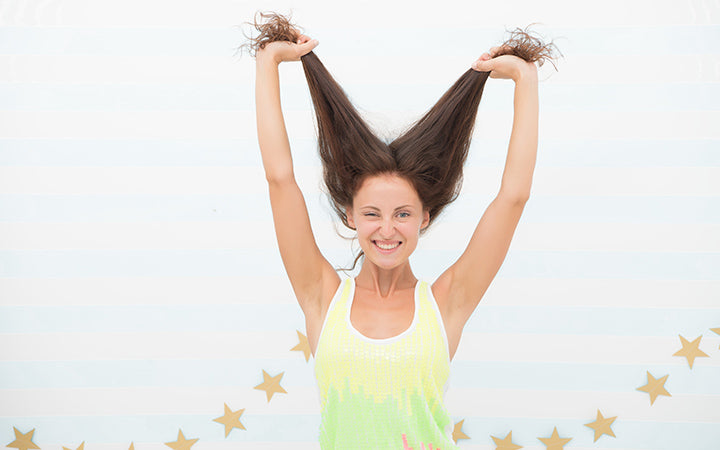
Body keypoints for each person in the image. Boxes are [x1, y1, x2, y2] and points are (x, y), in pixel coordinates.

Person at [243, 11, 559, 449]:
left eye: (403, 214)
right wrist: (268, 65)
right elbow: (279, 178)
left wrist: (526, 83)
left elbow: (513, 197)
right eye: (372, 213)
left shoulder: (447, 303)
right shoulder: (322, 296)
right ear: (350, 216)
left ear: (424, 218)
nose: (387, 229)